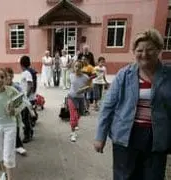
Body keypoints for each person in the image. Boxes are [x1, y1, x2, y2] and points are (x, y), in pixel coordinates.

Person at [94, 28, 171, 180]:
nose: (144, 54)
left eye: (150, 49)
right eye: (139, 50)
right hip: (126, 135)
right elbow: (107, 106)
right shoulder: (125, 74)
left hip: (157, 137)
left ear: (159, 50)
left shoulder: (168, 75)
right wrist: (100, 136)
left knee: (153, 177)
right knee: (124, 176)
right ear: (134, 51)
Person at [5, 67, 27, 155]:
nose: (9, 78)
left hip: (16, 114)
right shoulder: (1, 88)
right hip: (5, 116)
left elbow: (24, 99)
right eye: (7, 76)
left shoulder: (16, 86)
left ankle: (18, 146)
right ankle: (11, 147)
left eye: (11, 76)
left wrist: (17, 110)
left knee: (16, 130)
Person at [68, 61, 89, 142]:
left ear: (82, 68)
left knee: (79, 114)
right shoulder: (71, 76)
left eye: (79, 67)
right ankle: (73, 133)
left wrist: (85, 89)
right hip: (71, 98)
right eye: (75, 66)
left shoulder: (85, 77)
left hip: (81, 98)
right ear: (74, 67)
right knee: (73, 116)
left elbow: (89, 87)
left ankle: (75, 123)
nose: (77, 68)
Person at [19, 55, 37, 143]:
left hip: (27, 99)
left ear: (21, 64)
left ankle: (28, 134)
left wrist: (26, 95)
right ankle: (30, 131)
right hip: (26, 98)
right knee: (25, 117)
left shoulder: (26, 73)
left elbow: (30, 84)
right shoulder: (26, 72)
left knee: (25, 117)